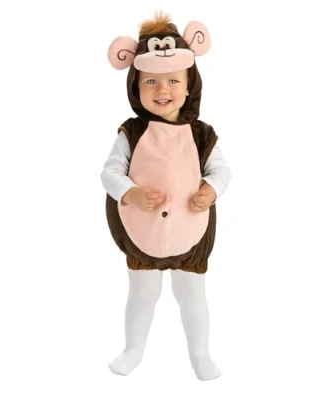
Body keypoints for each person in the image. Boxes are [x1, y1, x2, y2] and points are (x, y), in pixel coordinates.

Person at [101, 11, 231, 381]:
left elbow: (221, 171)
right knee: (142, 295)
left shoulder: (202, 134)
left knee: (192, 296)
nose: (162, 90)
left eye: (173, 80)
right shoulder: (131, 132)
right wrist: (130, 193)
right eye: (151, 82)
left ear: (189, 86)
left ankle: (200, 354)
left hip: (191, 230)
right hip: (141, 230)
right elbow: (110, 172)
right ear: (136, 87)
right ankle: (133, 350)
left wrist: (211, 190)